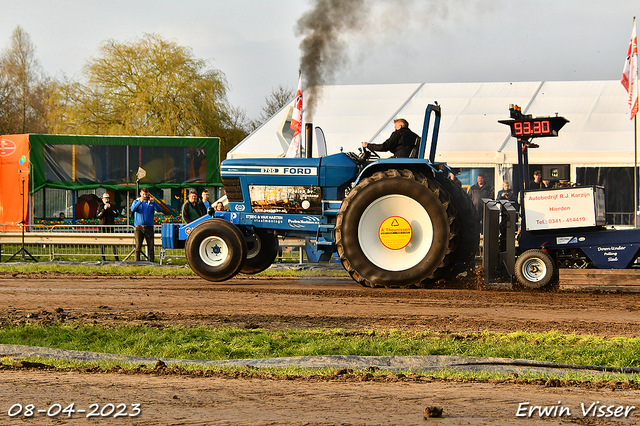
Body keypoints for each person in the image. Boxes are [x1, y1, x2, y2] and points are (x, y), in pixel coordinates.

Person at [131, 187, 162, 262]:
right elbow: (132, 209)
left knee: (151, 246)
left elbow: (160, 209)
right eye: (143, 194)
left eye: (146, 194)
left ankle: (151, 261)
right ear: (141, 194)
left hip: (149, 227)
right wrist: (140, 202)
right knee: (138, 246)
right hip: (139, 227)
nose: (145, 195)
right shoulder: (136, 201)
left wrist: (154, 202)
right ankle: (137, 262)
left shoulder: (150, 202)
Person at [96, 192, 120, 261]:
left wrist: (109, 209)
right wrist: (104, 210)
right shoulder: (100, 206)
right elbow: (98, 216)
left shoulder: (112, 206)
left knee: (113, 243)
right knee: (102, 243)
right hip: (102, 227)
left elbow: (116, 214)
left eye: (107, 198)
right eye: (104, 198)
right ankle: (103, 257)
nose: (106, 200)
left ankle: (116, 257)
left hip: (110, 226)